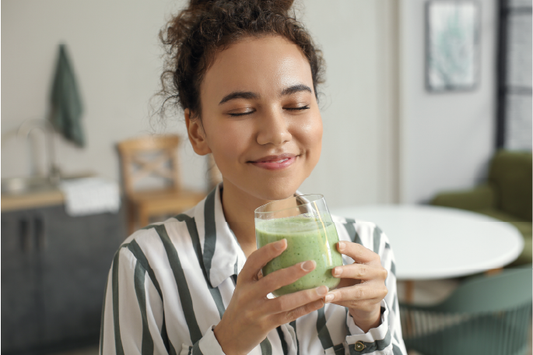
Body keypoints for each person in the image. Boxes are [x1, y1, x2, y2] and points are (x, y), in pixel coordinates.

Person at [100, 0, 407, 354]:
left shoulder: (368, 247)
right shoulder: (146, 266)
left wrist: (370, 323)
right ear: (197, 131)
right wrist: (225, 343)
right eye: (242, 110)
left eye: (296, 106)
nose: (276, 134)